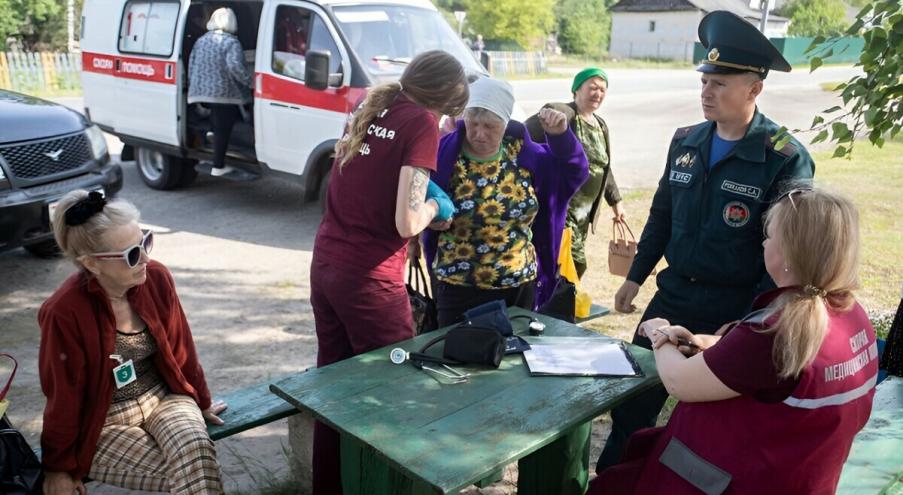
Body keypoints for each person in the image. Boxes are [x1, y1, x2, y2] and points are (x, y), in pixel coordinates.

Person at [596, 10, 816, 472]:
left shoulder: (784, 158)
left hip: (735, 308)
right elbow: (662, 215)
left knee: (715, 422)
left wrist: (745, 324)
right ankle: (616, 480)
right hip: (673, 296)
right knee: (632, 406)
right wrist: (635, 279)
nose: (706, 93)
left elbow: (785, 256)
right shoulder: (686, 141)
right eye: (704, 82)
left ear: (754, 88)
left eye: (720, 84)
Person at [590, 186, 879, 494]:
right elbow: (769, 371)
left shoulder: (776, 332)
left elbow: (678, 382)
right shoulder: (850, 316)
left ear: (790, 252)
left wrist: (660, 333)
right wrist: (706, 343)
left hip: (725, 480)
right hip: (802, 477)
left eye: (769, 235)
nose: (764, 242)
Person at [309, 50, 468, 494]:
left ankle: (331, 486)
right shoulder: (421, 121)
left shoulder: (374, 104)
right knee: (394, 392)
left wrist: (419, 189)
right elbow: (405, 222)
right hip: (368, 278)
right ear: (445, 100)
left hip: (327, 264)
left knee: (335, 388)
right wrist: (436, 205)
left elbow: (368, 176)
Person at [39, 190, 225, 495]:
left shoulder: (156, 278)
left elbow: (182, 349)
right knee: (197, 471)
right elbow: (63, 394)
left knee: (195, 448)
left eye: (146, 241)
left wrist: (200, 400)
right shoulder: (63, 312)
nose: (146, 258)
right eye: (132, 254)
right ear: (92, 263)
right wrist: (58, 468)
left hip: (163, 399)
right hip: (103, 423)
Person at [422, 76, 589, 327]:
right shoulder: (444, 153)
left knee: (513, 359)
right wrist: (425, 218)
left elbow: (574, 172)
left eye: (490, 126)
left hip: (518, 286)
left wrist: (561, 137)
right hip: (458, 285)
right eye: (473, 123)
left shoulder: (526, 155)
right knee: (459, 357)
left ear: (506, 121)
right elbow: (412, 189)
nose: (479, 134)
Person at [526, 67, 625, 278]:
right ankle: (556, 307)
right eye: (592, 88)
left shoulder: (600, 125)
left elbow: (603, 167)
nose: (597, 93)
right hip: (561, 210)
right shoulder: (564, 115)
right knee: (568, 263)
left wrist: (616, 202)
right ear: (576, 90)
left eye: (602, 90)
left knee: (571, 266)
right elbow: (527, 135)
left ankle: (562, 306)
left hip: (583, 216)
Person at [188, 7, 253, 177]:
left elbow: (191, 64)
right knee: (227, 123)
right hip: (224, 93)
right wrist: (250, 82)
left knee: (219, 118)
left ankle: (212, 131)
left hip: (201, 92)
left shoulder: (201, 40)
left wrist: (192, 85)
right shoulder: (231, 42)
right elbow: (235, 67)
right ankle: (218, 166)